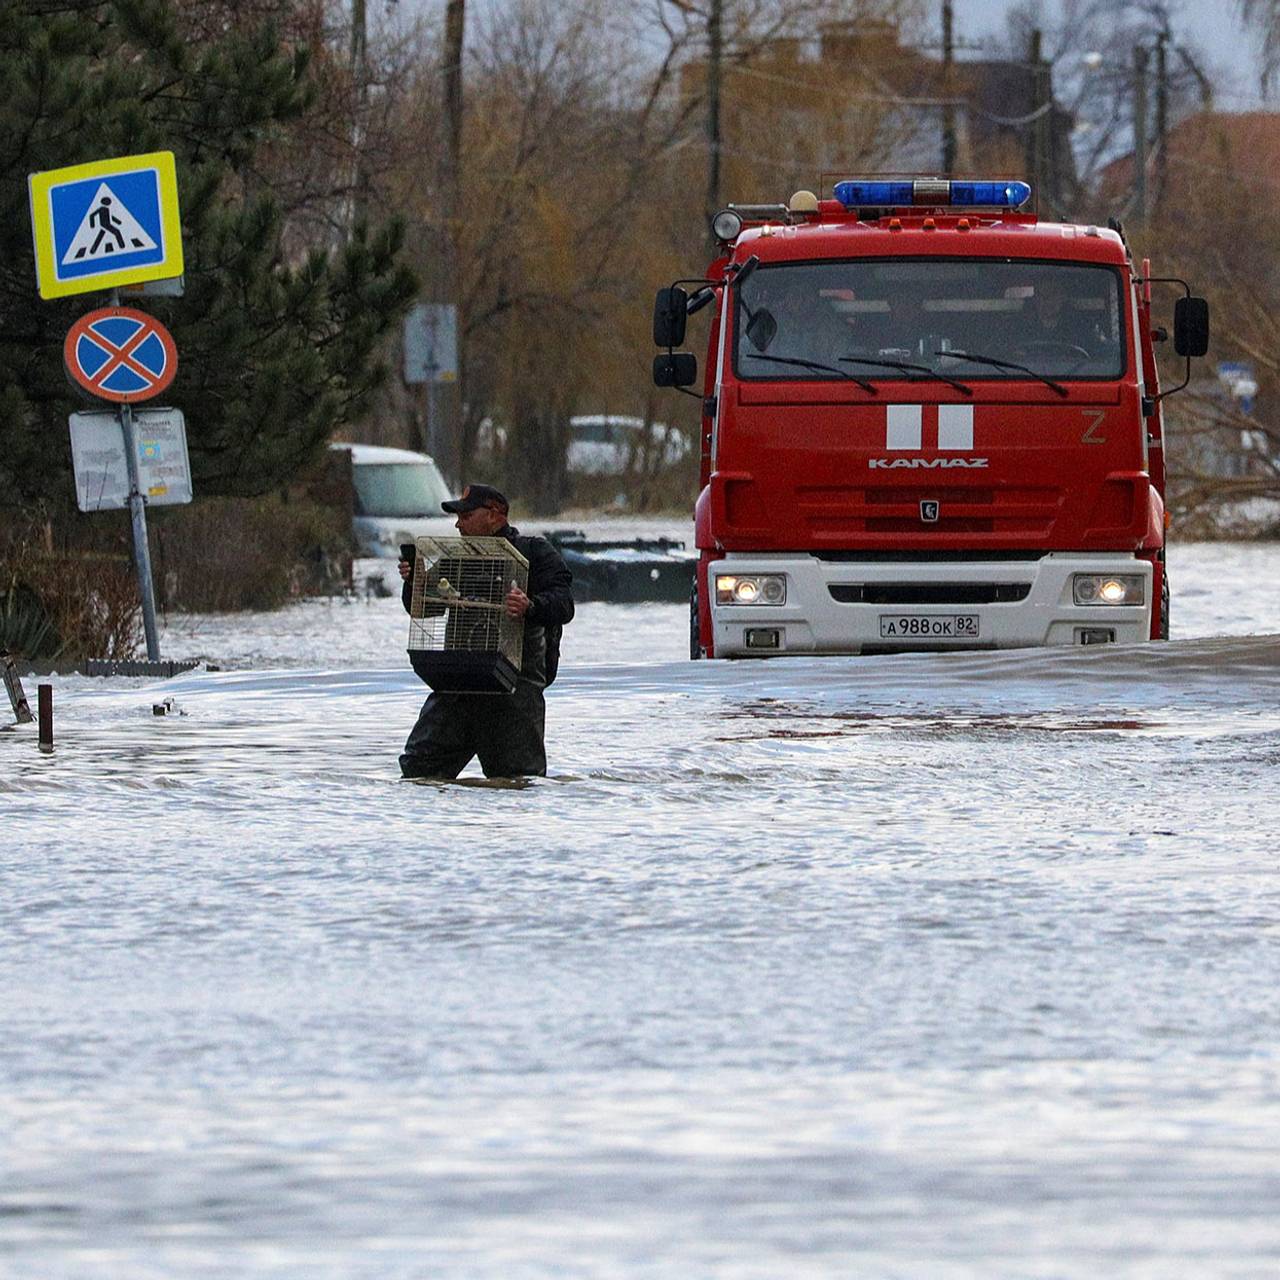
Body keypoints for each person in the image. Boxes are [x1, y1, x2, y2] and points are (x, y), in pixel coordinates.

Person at [398, 483, 574, 780]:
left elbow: (564, 604)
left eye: (466, 516)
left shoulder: (535, 552)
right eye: (458, 517)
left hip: (513, 691)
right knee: (419, 772)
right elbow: (422, 609)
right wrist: (414, 582)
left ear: (494, 516)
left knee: (518, 780)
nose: (458, 523)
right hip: (458, 682)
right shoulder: (454, 557)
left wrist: (530, 606)